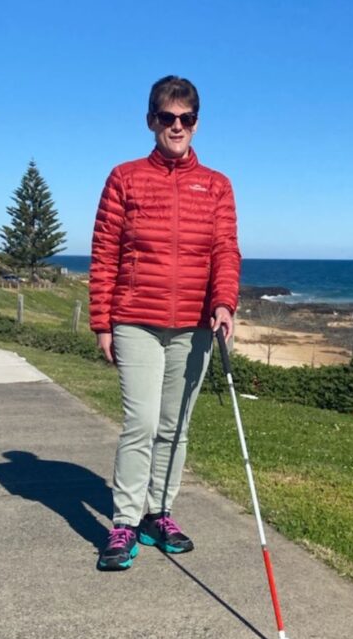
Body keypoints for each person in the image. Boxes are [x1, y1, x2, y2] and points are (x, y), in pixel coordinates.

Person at [89, 75, 241, 571]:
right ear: (151, 120)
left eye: (186, 119)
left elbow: (225, 251)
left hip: (194, 326)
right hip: (135, 319)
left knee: (175, 427)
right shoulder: (124, 177)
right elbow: (105, 253)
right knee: (142, 423)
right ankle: (124, 523)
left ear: (197, 124)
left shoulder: (217, 185)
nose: (177, 126)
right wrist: (102, 324)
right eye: (167, 117)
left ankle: (159, 512)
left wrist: (224, 303)